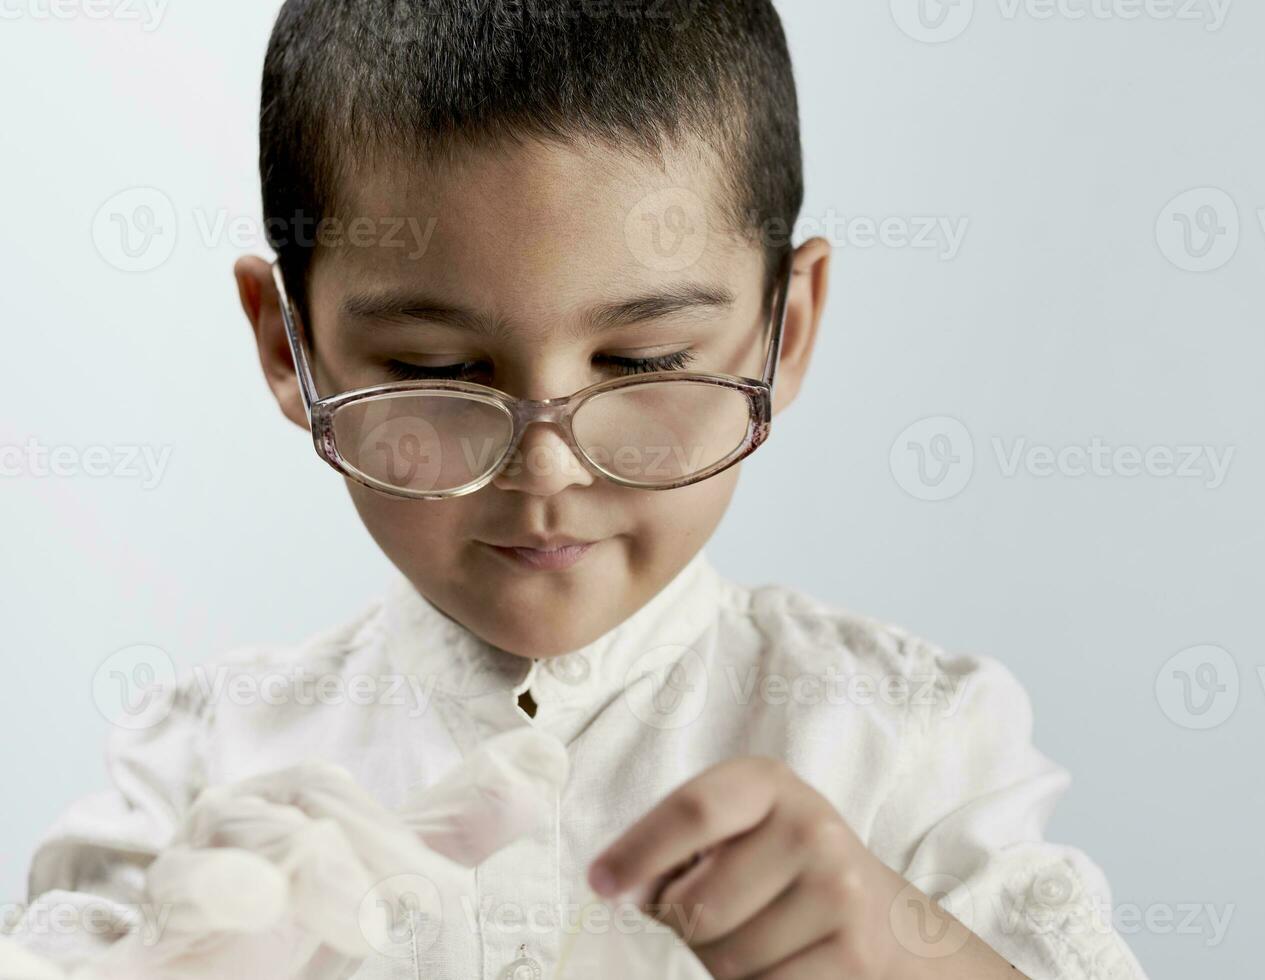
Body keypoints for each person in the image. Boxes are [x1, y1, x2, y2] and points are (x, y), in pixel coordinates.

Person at [7, 2, 1148, 978]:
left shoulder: (906, 740)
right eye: (435, 369)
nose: (545, 468)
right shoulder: (208, 759)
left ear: (784, 329)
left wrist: (910, 952)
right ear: (285, 346)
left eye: (644, 364)